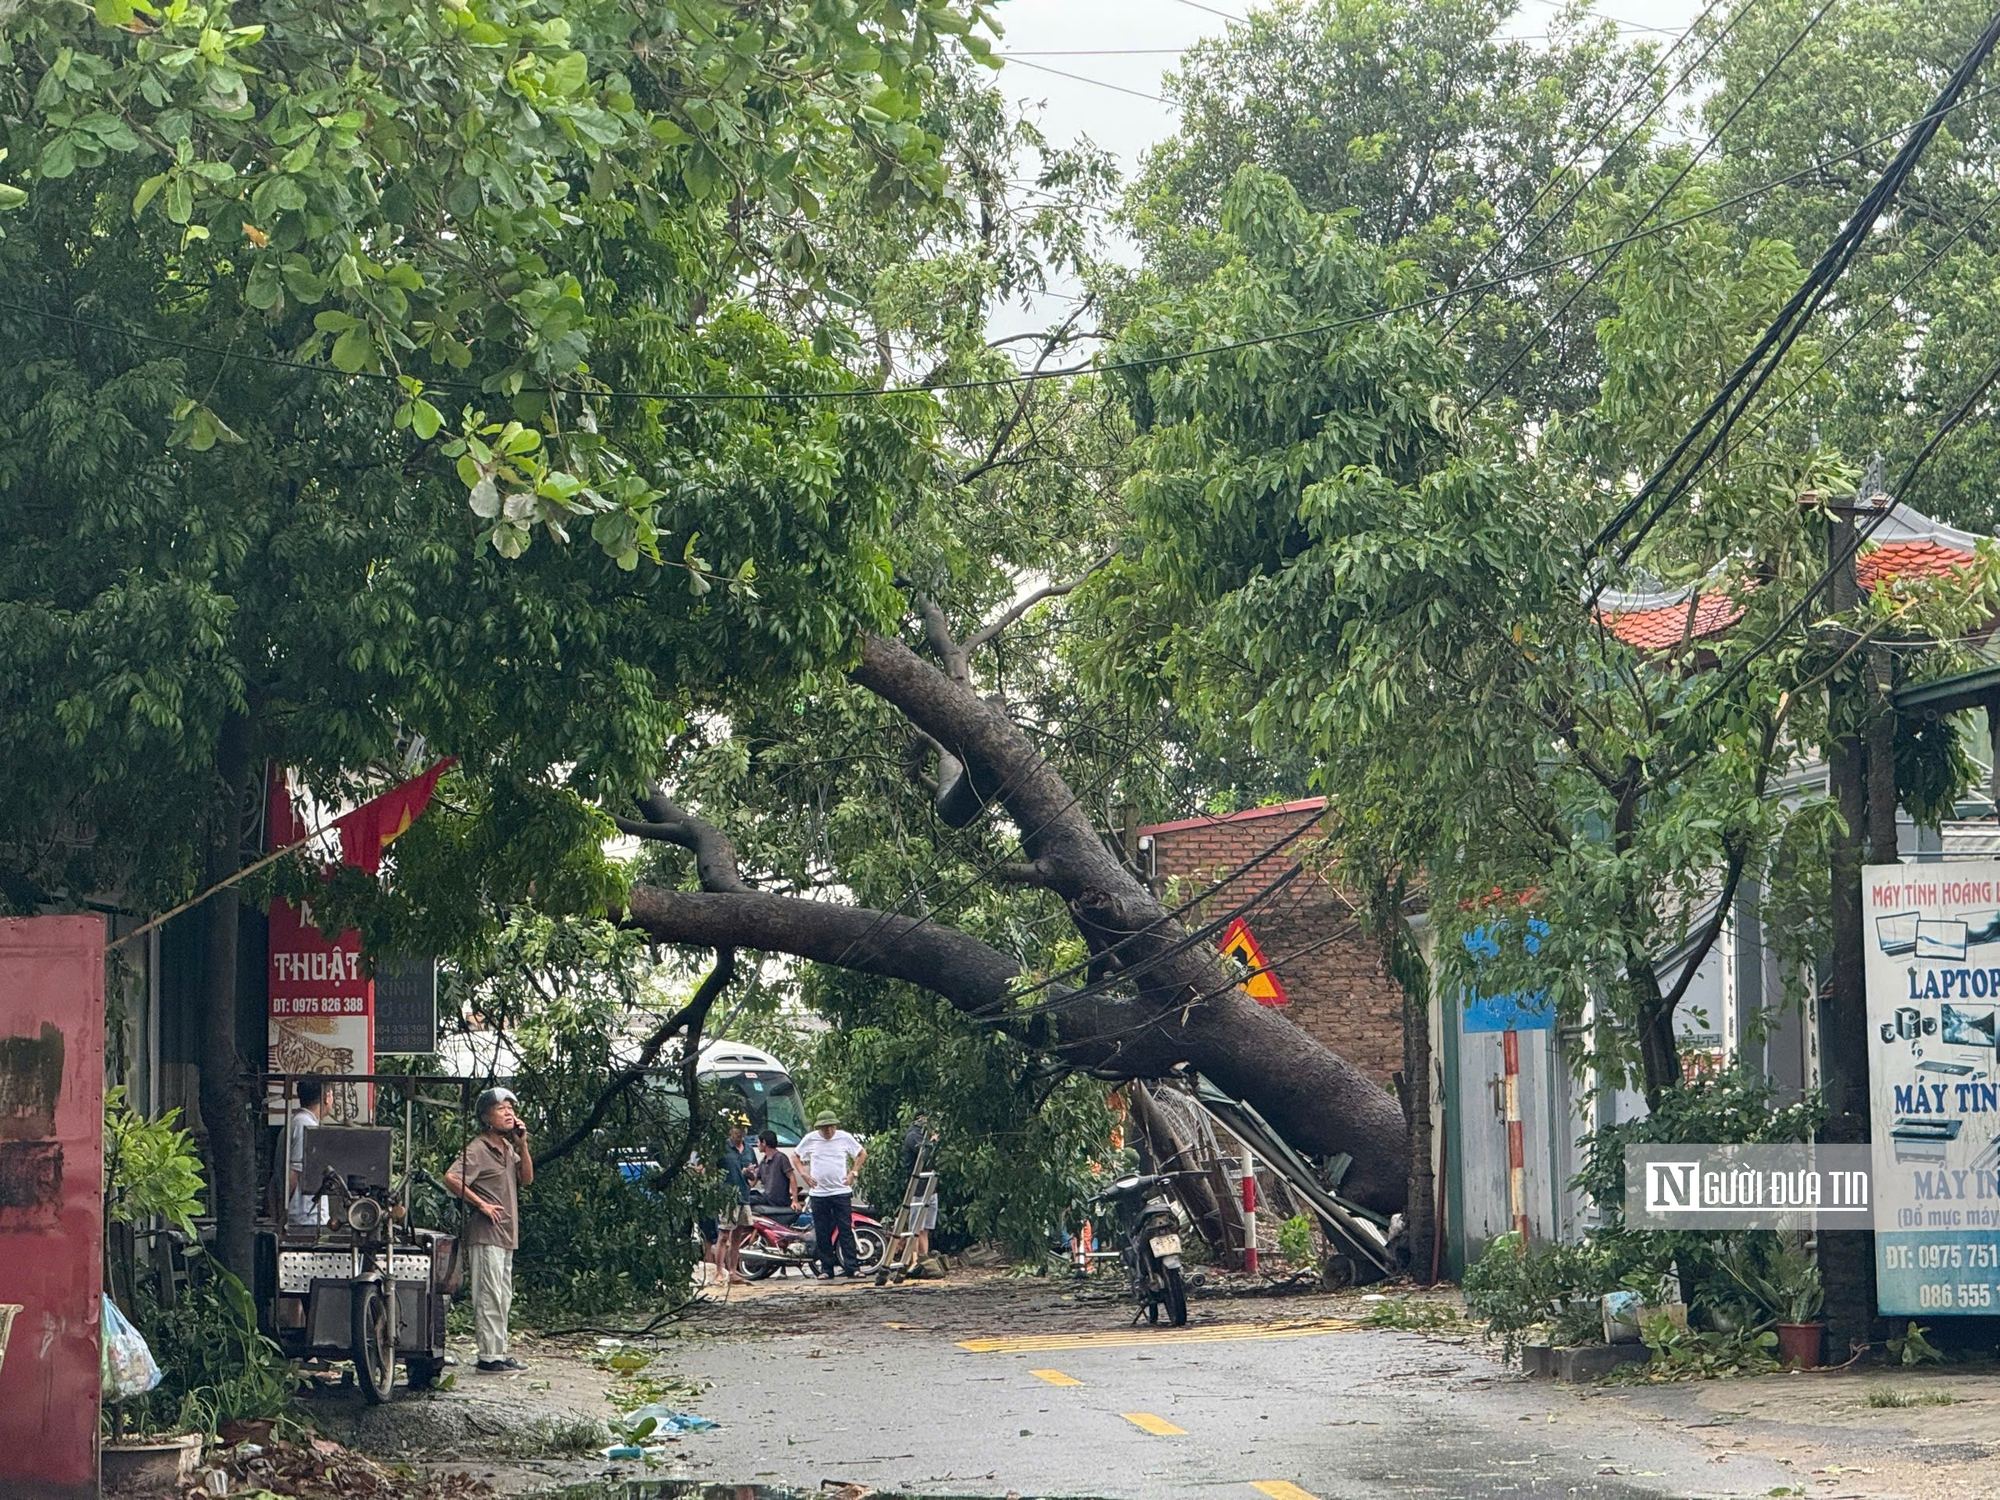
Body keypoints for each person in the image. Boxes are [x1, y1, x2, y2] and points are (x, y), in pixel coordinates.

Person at [444, 1086, 533, 1372]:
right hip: (486, 1233)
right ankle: (488, 1356)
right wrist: (481, 1204)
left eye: (511, 1108)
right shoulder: (478, 1148)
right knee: (489, 1294)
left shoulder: (506, 1148)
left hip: (506, 1232)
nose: (509, 1113)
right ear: (486, 1117)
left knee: (503, 1295)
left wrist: (523, 1145)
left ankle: (499, 1351)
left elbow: (527, 1179)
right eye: (501, 1109)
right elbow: (452, 1178)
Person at [795, 1110, 866, 1278]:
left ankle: (852, 1267)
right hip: (819, 1193)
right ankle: (827, 1268)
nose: (828, 1131)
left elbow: (861, 1153)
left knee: (845, 1229)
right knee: (822, 1231)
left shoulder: (844, 1137)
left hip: (840, 1191)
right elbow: (796, 1156)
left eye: (831, 1127)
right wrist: (804, 1174)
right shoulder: (811, 1139)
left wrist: (853, 1172)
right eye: (825, 1128)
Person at [285, 1075, 329, 1228]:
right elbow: (293, 1173)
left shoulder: (294, 1122)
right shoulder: (305, 1126)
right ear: (327, 1097)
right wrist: (283, 1210)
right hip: (305, 1216)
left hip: (302, 1215)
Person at [718, 1119, 758, 1280]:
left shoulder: (749, 1150)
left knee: (738, 1236)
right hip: (727, 1196)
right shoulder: (722, 1148)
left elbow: (754, 1175)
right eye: (737, 1128)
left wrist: (750, 1173)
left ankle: (733, 1271)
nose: (740, 1132)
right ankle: (719, 1271)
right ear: (730, 1130)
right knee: (724, 1235)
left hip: (744, 1195)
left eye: (744, 1128)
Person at [900, 1120, 937, 1262]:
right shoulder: (914, 1135)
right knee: (916, 1228)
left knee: (925, 1229)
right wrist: (934, 1141)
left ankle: (924, 1260)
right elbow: (925, 1153)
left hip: (931, 1186)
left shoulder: (924, 1134)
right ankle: (913, 1261)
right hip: (918, 1188)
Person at [748, 1130, 797, 1209]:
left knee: (748, 1200)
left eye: (758, 1142)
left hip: (777, 1200)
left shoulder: (781, 1158)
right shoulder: (763, 1162)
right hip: (766, 1197)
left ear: (763, 1143)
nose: (757, 1145)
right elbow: (752, 1183)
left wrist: (795, 1201)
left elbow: (792, 1177)